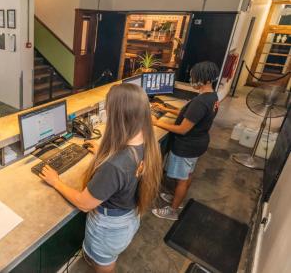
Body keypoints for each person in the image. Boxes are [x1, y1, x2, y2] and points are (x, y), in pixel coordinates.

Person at [39, 83, 162, 273]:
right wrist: (103, 154)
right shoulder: (148, 142)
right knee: (106, 258)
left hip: (109, 229)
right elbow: (125, 169)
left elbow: (84, 203)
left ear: (119, 116)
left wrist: (56, 182)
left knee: (104, 266)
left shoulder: (115, 165)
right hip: (129, 219)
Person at [151, 61, 220, 220]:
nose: (191, 80)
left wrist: (156, 122)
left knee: (182, 178)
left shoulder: (200, 102)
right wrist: (166, 109)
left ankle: (173, 210)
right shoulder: (211, 96)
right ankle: (177, 197)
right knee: (187, 174)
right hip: (198, 142)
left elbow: (183, 129)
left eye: (193, 77)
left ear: (204, 79)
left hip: (187, 145)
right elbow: (190, 115)